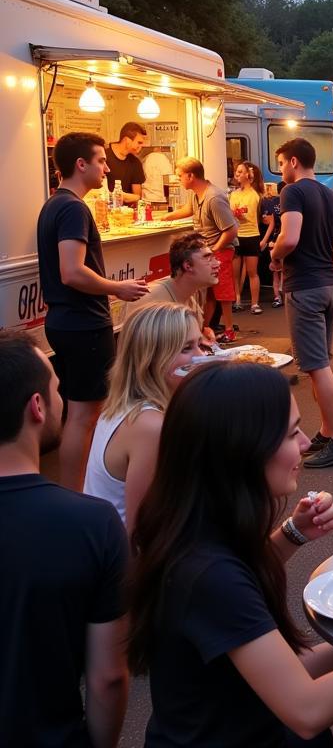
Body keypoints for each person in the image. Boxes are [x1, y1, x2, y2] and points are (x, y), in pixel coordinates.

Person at [127, 362, 333, 746]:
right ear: (243, 449)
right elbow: (307, 712)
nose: (306, 443)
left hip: (229, 714)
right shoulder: (209, 573)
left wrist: (293, 533)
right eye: (292, 433)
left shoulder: (189, 528)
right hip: (244, 730)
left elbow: (238, 584)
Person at [0, 330, 130, 748]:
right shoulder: (91, 523)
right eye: (57, 390)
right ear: (36, 407)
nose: (61, 399)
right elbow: (108, 677)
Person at [37, 132, 148, 489]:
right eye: (100, 161)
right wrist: (119, 288)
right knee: (85, 415)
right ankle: (78, 493)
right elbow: (72, 271)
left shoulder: (54, 204)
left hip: (66, 322)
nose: (106, 167)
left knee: (78, 413)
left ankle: (76, 490)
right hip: (83, 323)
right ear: (80, 164)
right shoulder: (72, 208)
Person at [271, 138, 333, 468]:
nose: (280, 169)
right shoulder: (329, 194)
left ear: (293, 161)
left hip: (304, 287)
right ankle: (326, 429)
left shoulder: (292, 192)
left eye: (280, 163)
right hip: (326, 287)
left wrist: (275, 255)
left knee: (316, 367)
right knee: (320, 365)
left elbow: (289, 238)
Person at [84, 303, 201, 531]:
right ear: (152, 358)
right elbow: (143, 532)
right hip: (126, 561)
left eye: (199, 344)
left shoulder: (126, 406)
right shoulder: (150, 427)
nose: (201, 356)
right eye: (187, 348)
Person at [163, 156, 239, 343]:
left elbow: (231, 230)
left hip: (219, 249)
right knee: (210, 293)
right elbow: (188, 209)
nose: (178, 179)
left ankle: (229, 330)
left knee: (223, 291)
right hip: (209, 248)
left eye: (180, 175)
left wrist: (213, 250)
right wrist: (165, 218)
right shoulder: (196, 193)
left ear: (191, 176)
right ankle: (205, 329)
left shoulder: (214, 197)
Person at [123, 231, 219, 345]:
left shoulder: (193, 292)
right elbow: (144, 354)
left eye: (214, 258)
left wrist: (201, 336)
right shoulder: (151, 301)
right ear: (187, 265)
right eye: (208, 258)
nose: (217, 263)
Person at [231, 160, 265, 314]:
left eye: (240, 171)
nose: (237, 174)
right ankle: (237, 300)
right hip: (237, 235)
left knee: (252, 271)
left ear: (248, 175)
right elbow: (233, 213)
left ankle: (254, 303)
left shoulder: (255, 195)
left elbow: (248, 215)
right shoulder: (233, 194)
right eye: (236, 171)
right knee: (235, 272)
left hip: (251, 235)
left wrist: (237, 213)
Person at [105, 121, 147, 204]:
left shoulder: (135, 163)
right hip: (104, 209)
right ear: (127, 140)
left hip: (126, 213)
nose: (141, 146)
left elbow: (137, 196)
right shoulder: (103, 156)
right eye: (139, 142)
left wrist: (120, 195)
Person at [260, 181, 284, 307]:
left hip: (275, 240)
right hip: (281, 238)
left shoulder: (274, 202)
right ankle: (281, 296)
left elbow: (272, 222)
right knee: (283, 270)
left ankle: (277, 297)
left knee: (276, 270)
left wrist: (265, 240)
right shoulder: (293, 201)